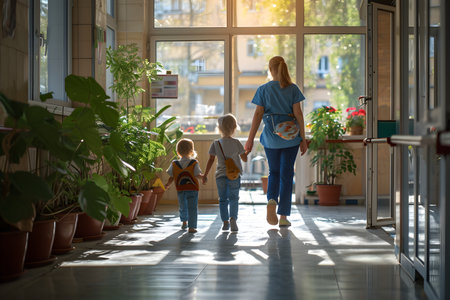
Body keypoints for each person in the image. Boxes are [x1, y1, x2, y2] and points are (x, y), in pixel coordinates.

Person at [245, 56, 308, 227]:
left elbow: (257, 115)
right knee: (287, 175)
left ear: (270, 69)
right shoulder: (293, 89)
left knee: (274, 172)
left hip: (271, 139)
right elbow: (299, 115)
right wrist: (303, 138)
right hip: (291, 139)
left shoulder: (263, 89)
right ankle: (283, 217)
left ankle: (271, 201)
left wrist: (250, 140)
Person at [202, 114, 248, 232]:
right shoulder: (236, 142)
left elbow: (211, 160)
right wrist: (246, 151)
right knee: (234, 198)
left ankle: (225, 222)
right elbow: (244, 159)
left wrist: (205, 175)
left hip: (220, 175)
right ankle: (233, 219)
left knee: (223, 199)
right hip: (234, 175)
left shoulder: (216, 143)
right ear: (234, 127)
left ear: (219, 128)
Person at [165, 138, 204, 233]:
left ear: (178, 152)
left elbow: (172, 176)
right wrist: (203, 177)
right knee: (192, 207)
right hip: (193, 188)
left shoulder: (174, 164)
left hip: (180, 189)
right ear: (191, 151)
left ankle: (184, 222)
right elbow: (197, 175)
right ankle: (192, 227)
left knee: (183, 206)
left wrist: (167, 184)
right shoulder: (194, 163)